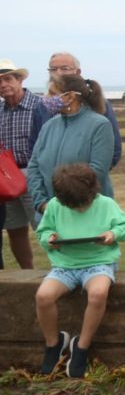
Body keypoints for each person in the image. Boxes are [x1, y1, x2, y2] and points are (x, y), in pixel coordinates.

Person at [35, 163, 125, 378]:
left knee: (98, 293)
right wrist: (49, 240)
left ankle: (81, 346)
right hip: (65, 265)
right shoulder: (53, 206)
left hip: (99, 262)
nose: (80, 209)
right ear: (61, 199)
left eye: (84, 204)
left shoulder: (106, 204)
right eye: (73, 206)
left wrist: (113, 234)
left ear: (92, 191)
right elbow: (44, 231)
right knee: (43, 296)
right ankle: (54, 343)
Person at [27, 75, 114, 215]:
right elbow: (34, 167)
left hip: (86, 211)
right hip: (49, 213)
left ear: (71, 96)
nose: (46, 98)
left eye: (52, 93)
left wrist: (69, 206)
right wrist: (42, 203)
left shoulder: (99, 125)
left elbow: (97, 171)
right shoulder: (49, 126)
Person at [33, 52, 123, 168]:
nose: (58, 73)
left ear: (78, 72)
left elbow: (113, 150)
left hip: (84, 181)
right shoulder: (43, 107)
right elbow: (35, 147)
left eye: (64, 68)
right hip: (47, 180)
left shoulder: (98, 105)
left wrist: (85, 179)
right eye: (53, 69)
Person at [0, 58, 44, 269]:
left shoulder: (39, 106)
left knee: (43, 225)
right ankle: (27, 273)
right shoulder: (0, 111)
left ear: (19, 80)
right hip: (6, 177)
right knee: (14, 228)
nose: (3, 85)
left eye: (8, 79)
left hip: (33, 173)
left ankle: (62, 270)